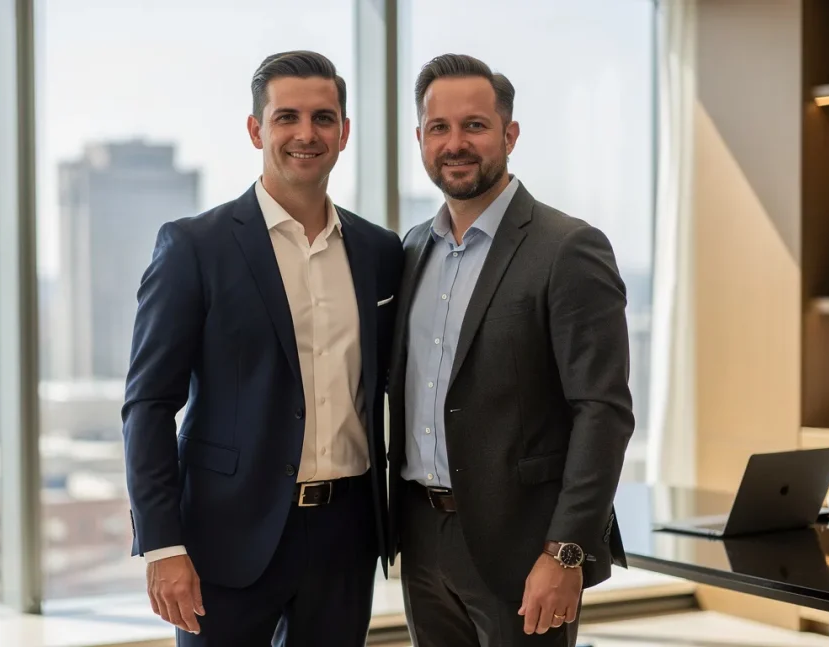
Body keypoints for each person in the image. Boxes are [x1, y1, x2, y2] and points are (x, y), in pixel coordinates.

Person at [121, 50, 404, 647]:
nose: (307, 134)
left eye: (324, 118)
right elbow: (147, 405)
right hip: (225, 536)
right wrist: (163, 545)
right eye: (287, 117)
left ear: (345, 132)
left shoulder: (380, 253)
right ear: (257, 129)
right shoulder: (194, 247)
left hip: (345, 534)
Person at [387, 53, 634, 647]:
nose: (456, 144)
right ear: (420, 138)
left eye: (474, 125)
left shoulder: (568, 248)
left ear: (509, 134)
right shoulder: (413, 248)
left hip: (527, 546)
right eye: (439, 128)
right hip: (423, 538)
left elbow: (603, 411)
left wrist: (567, 552)